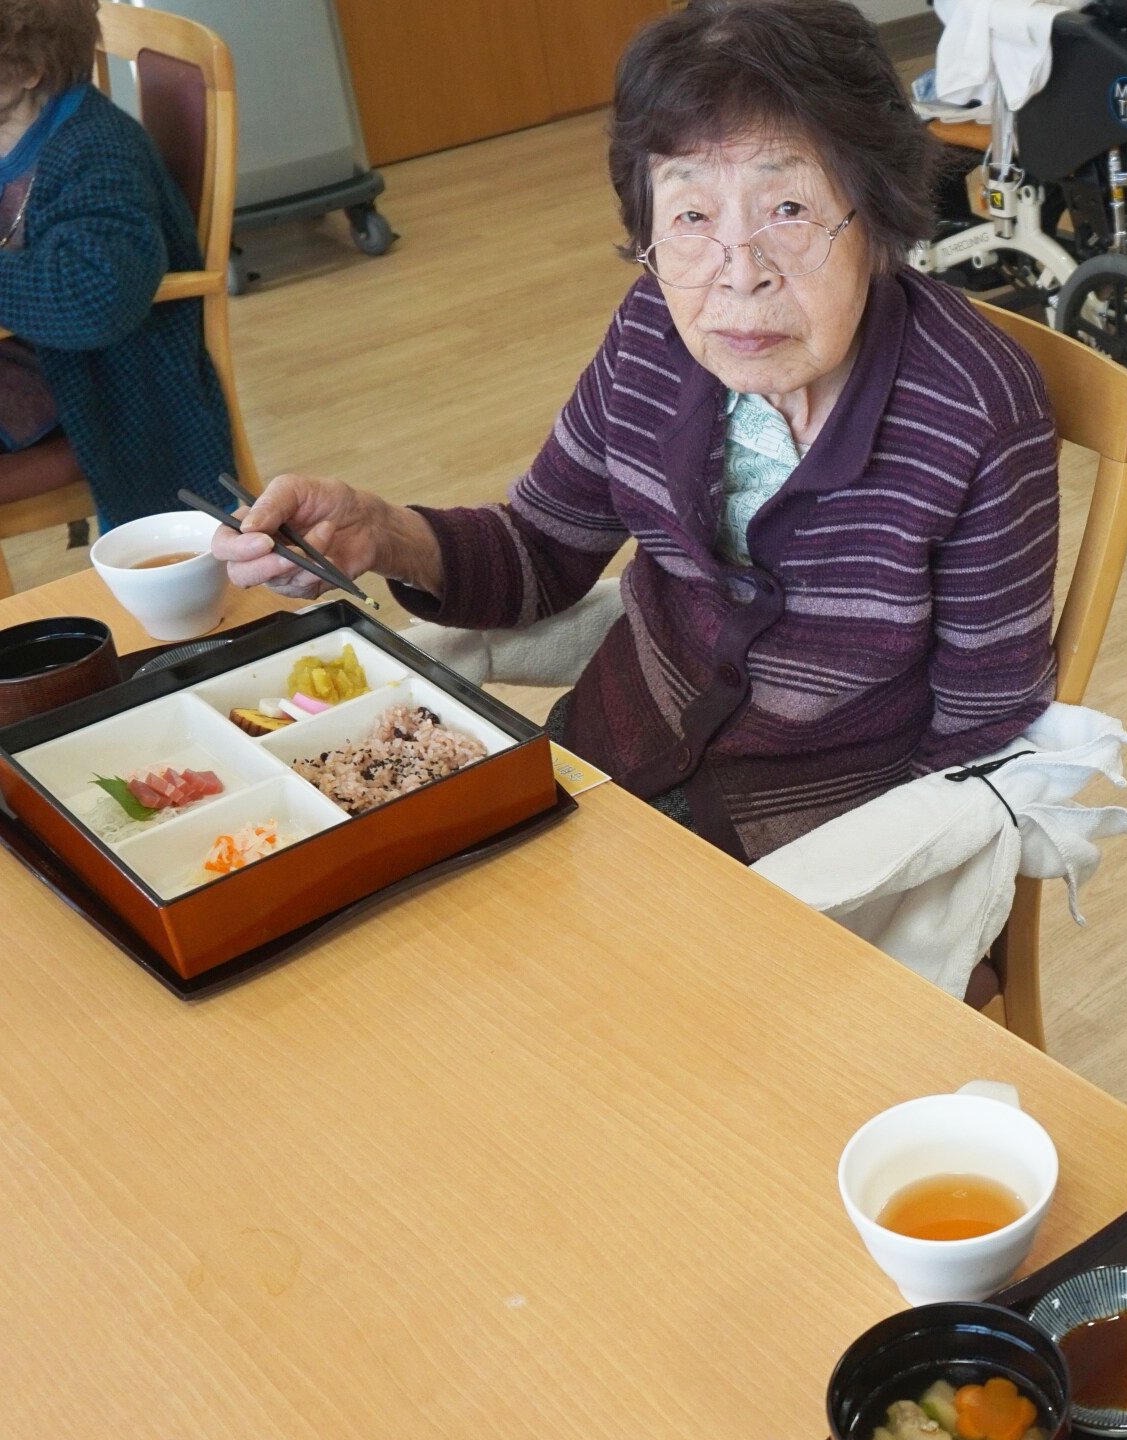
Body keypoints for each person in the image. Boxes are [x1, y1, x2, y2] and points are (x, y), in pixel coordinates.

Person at [218, 0, 1060, 862]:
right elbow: (542, 550)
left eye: (788, 209)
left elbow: (979, 729)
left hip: (816, 850)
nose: (738, 274)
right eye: (691, 217)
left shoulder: (978, 410)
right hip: (603, 763)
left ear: (878, 221)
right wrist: (382, 532)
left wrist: (854, 892)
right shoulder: (653, 332)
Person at [0, 0, 234, 526]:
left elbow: (95, 299)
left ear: (29, 68)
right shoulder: (11, 126)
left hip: (92, 377)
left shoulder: (97, 152)